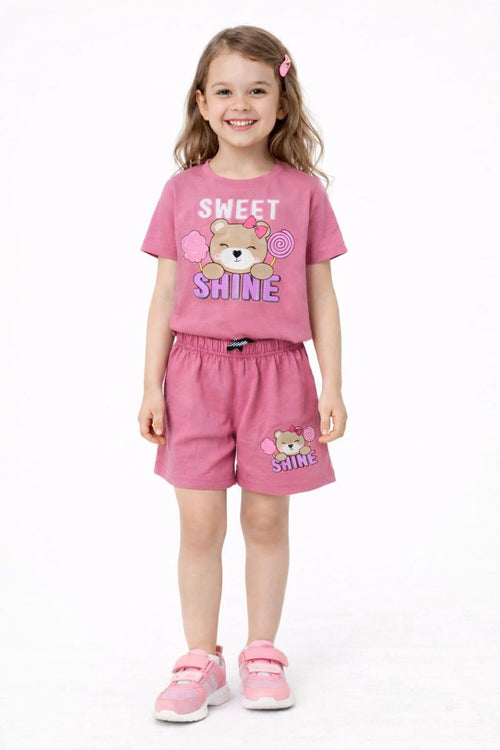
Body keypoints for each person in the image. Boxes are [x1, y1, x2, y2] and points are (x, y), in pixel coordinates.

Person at [137, 25, 348, 723]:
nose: (241, 104)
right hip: (193, 375)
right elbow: (164, 296)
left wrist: (332, 384)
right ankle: (200, 659)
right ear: (201, 102)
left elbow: (322, 296)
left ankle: (263, 652)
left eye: (257, 90)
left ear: (282, 103)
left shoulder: (302, 193)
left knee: (264, 516)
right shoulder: (181, 191)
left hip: (279, 375)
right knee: (199, 524)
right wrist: (150, 385)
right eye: (225, 91)